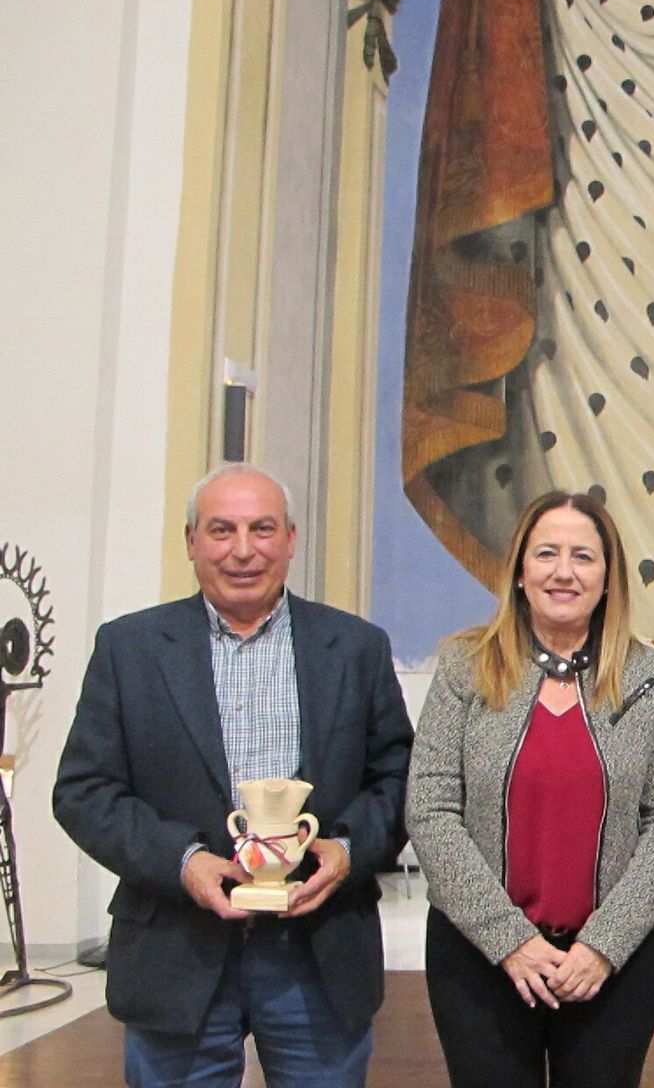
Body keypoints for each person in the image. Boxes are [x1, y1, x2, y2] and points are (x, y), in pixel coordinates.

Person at [53, 464, 413, 1086]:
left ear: (291, 539)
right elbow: (84, 791)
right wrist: (183, 860)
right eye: (222, 530)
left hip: (318, 951)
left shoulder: (356, 647)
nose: (243, 550)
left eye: (262, 528)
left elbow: (400, 781)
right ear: (191, 541)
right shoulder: (129, 648)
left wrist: (347, 850)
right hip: (176, 947)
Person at [407, 490, 654, 1088]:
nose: (564, 571)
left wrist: (603, 946)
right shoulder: (465, 667)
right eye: (546, 554)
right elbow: (431, 810)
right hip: (480, 958)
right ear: (518, 572)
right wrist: (510, 940)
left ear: (609, 579)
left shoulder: (648, 677)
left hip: (614, 966)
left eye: (584, 557)